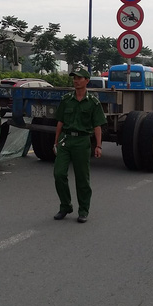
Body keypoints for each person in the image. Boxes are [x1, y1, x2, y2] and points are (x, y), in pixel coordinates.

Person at [52, 69, 107, 223]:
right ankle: (65, 206)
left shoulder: (93, 102)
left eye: (79, 78)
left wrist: (99, 146)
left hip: (82, 142)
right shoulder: (66, 100)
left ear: (87, 80)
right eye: (74, 78)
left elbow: (97, 126)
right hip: (66, 140)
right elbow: (60, 122)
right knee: (59, 174)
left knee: (82, 178)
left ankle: (83, 210)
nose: (76, 81)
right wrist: (56, 141)